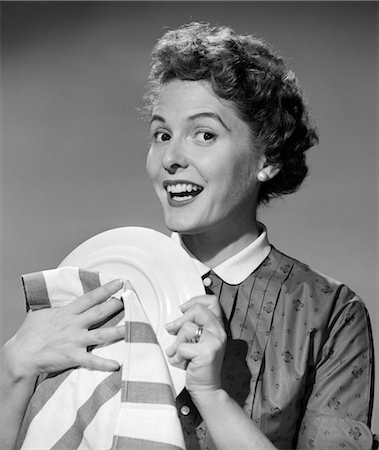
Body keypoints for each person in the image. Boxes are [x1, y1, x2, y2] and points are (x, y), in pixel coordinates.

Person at [0, 22, 375, 449]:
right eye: (162, 135)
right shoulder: (102, 290)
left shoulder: (328, 314)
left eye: (204, 135)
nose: (172, 157)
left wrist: (212, 396)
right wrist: (14, 369)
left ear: (266, 159)